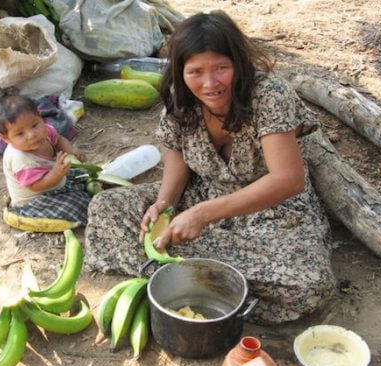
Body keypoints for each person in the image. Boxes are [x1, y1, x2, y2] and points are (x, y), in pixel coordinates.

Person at [84, 10, 336, 325]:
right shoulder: (181, 97)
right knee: (107, 207)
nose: (209, 83)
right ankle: (211, 279)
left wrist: (204, 214)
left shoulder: (268, 93)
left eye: (221, 68)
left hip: (272, 211)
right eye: (196, 71)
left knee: (310, 283)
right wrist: (165, 206)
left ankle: (175, 275)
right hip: (203, 193)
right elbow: (176, 156)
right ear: (180, 71)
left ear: (239, 64)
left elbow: (288, 180)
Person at [0, 95, 91, 224]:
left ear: (40, 117)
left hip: (56, 180)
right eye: (20, 133)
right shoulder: (20, 159)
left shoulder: (45, 131)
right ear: (6, 138)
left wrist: (70, 152)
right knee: (79, 206)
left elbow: (59, 140)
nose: (32, 135)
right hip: (37, 199)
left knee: (84, 176)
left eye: (34, 125)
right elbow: (35, 186)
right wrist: (56, 174)